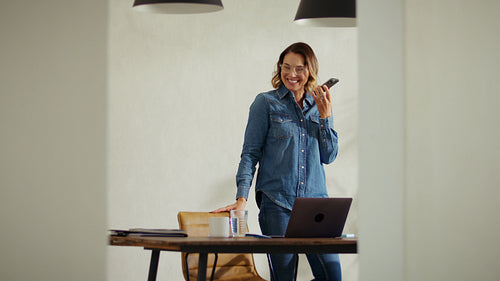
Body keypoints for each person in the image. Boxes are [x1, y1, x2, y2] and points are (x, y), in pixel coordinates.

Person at [212, 42, 341, 281]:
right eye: (286, 67)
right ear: (279, 68)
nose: (292, 74)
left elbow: (329, 156)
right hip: (277, 204)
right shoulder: (266, 103)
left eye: (299, 68)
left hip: (316, 205)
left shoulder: (320, 106)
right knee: (284, 275)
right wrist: (241, 199)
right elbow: (250, 153)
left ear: (310, 70)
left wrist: (325, 117)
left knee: (332, 274)